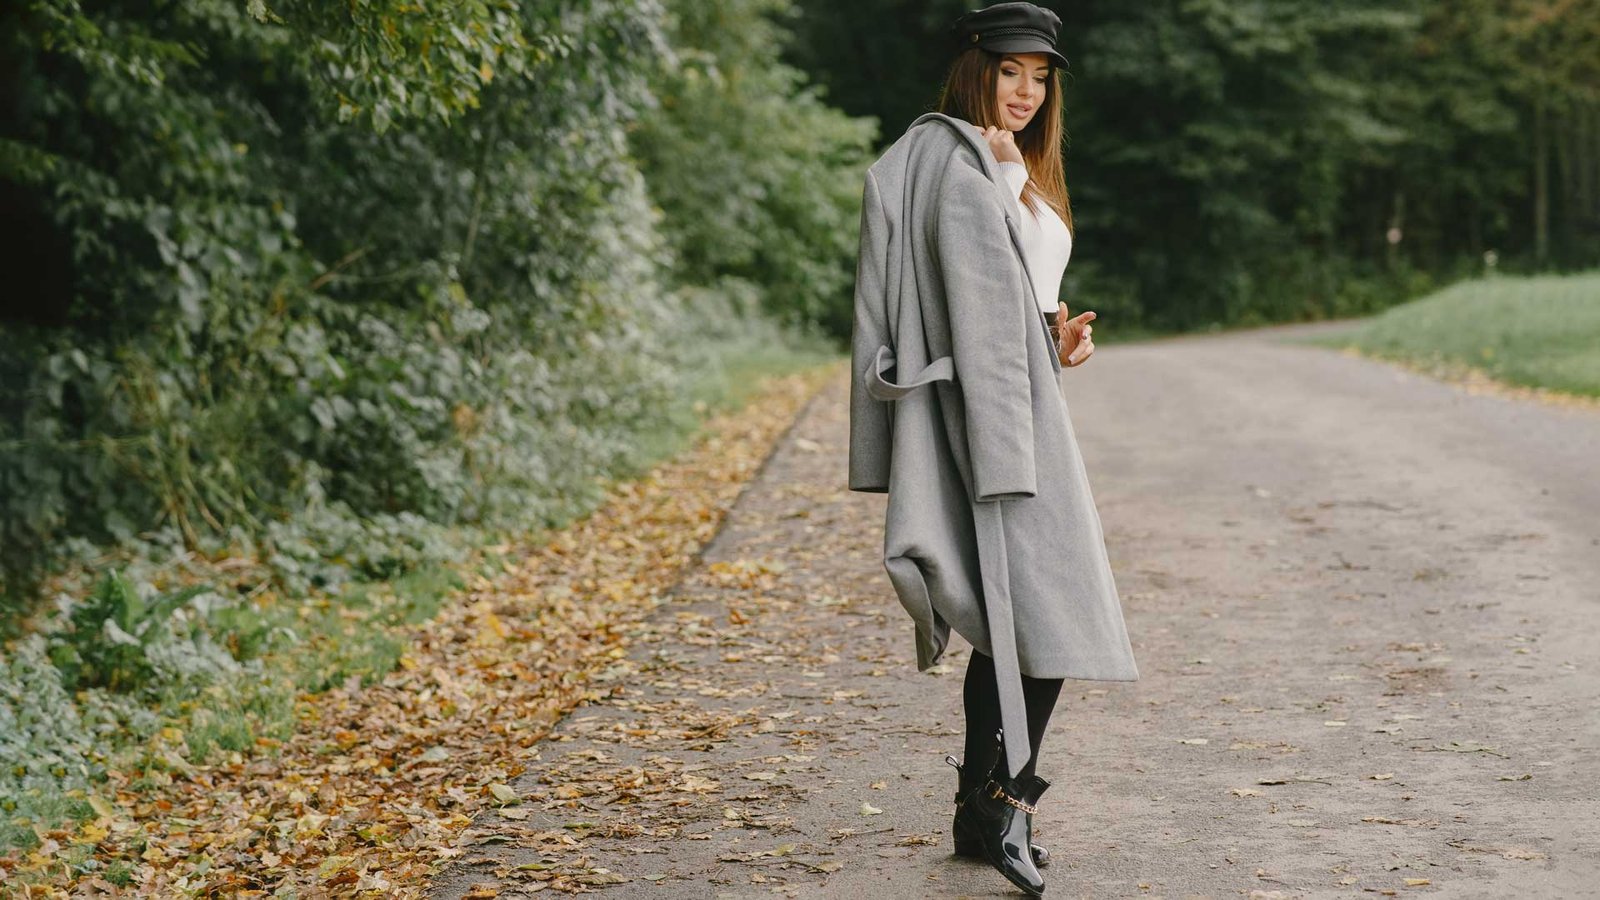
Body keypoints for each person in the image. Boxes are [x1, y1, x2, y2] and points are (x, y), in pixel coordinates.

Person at [846, 3, 1139, 896]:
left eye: (1040, 75)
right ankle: (1005, 802)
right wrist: (1005, 447)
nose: (1025, 90)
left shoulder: (1007, 165)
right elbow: (969, 320)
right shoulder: (968, 168)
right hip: (1000, 425)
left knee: (1022, 615)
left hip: (1025, 405)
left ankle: (982, 811)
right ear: (974, 68)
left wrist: (1057, 346)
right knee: (1049, 613)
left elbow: (1009, 305)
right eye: (1009, 70)